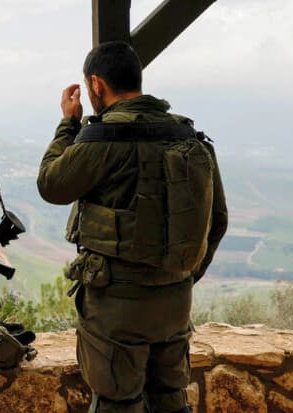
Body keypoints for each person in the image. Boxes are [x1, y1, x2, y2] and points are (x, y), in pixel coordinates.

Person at [37, 41, 228, 413]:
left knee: (118, 401)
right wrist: (182, 275)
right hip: (175, 299)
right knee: (170, 399)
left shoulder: (103, 139)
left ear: (96, 84)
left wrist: (68, 123)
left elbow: (51, 184)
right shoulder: (187, 136)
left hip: (117, 307)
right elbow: (216, 220)